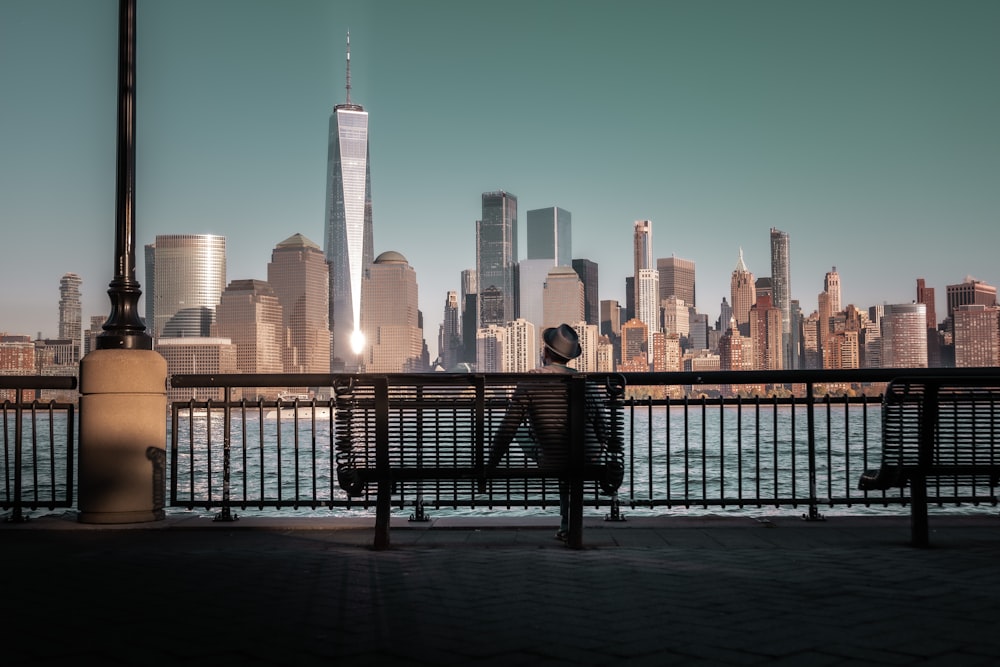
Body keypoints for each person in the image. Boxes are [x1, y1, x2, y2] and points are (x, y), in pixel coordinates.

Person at [487, 323, 608, 541]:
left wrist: (490, 466)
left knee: (527, 434)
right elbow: (603, 429)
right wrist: (599, 451)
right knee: (570, 457)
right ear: (570, 357)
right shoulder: (586, 382)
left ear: (545, 352)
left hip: (553, 457)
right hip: (588, 458)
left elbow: (508, 427)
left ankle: (566, 525)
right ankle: (567, 525)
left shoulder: (532, 380)